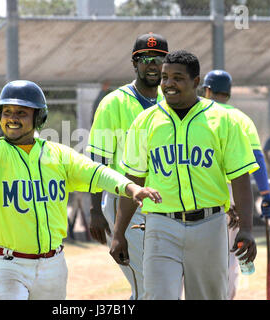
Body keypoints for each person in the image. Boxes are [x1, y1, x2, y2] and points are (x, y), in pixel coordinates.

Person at [0, 78, 162, 300]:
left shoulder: (58, 155)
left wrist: (130, 187)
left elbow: (96, 172)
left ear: (39, 117)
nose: (12, 118)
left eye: (21, 112)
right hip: (6, 264)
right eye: (7, 112)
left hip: (52, 265)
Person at [109, 50, 258, 300]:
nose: (168, 84)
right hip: (160, 225)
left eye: (177, 78)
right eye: (165, 77)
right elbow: (134, 180)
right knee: (158, 295)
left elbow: (241, 178)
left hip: (209, 224)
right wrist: (118, 232)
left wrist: (247, 228)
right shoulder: (145, 122)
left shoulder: (223, 121)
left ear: (196, 82)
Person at [87, 32, 168, 300]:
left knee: (161, 283)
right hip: (125, 201)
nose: (153, 65)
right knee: (148, 284)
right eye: (145, 58)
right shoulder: (114, 102)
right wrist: (94, 209)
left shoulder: (171, 103)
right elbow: (97, 159)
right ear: (135, 64)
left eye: (158, 59)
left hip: (164, 203)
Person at [202, 69, 270, 300]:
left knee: (197, 251)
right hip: (236, 193)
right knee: (233, 251)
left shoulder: (199, 115)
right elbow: (258, 160)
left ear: (207, 90)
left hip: (204, 192)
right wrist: (265, 193)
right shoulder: (241, 118)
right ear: (229, 93)